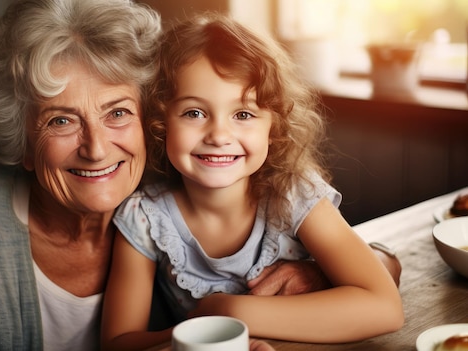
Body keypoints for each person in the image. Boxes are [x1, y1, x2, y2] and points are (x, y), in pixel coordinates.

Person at [0, 1, 353, 350]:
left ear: (149, 121)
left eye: (117, 112)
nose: (96, 149)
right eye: (61, 120)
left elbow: (363, 262)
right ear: (22, 142)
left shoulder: (175, 179)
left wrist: (316, 272)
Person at [100, 14, 404, 351]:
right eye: (194, 113)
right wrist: (202, 330)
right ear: (160, 121)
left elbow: (384, 309)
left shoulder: (292, 194)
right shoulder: (144, 217)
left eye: (243, 115)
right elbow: (118, 343)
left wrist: (230, 310)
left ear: (272, 128)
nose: (218, 135)